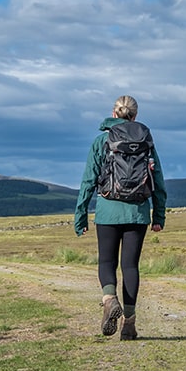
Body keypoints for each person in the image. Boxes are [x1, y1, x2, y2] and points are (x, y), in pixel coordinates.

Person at [74, 95, 167, 341]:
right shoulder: (146, 142)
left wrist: (80, 215)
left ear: (113, 113)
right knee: (130, 266)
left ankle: (109, 299)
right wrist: (158, 215)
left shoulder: (101, 141)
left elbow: (88, 181)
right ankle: (129, 323)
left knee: (106, 262)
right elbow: (158, 181)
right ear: (135, 116)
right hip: (137, 212)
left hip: (107, 211)